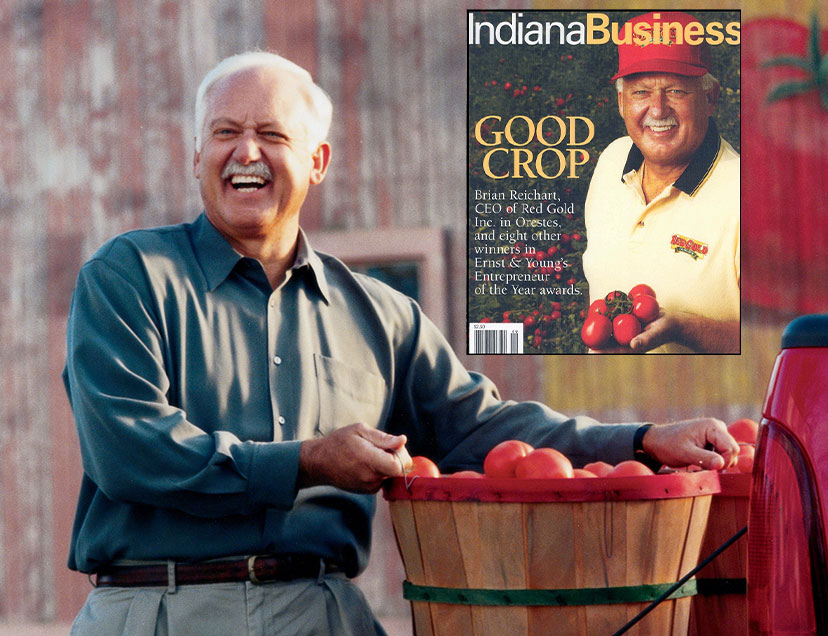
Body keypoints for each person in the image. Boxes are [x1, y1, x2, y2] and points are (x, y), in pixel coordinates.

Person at [62, 51, 740, 636]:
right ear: (196, 153)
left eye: (272, 133)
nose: (246, 152)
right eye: (225, 132)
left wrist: (640, 440)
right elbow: (131, 450)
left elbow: (483, 430)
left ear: (317, 161)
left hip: (318, 608)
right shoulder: (128, 278)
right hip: (158, 607)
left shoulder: (380, 314)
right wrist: (304, 461)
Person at [582, 11, 740, 354]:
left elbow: (780, 339)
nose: (657, 109)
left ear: (710, 98)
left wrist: (685, 328)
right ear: (621, 102)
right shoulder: (611, 161)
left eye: (675, 90)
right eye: (641, 92)